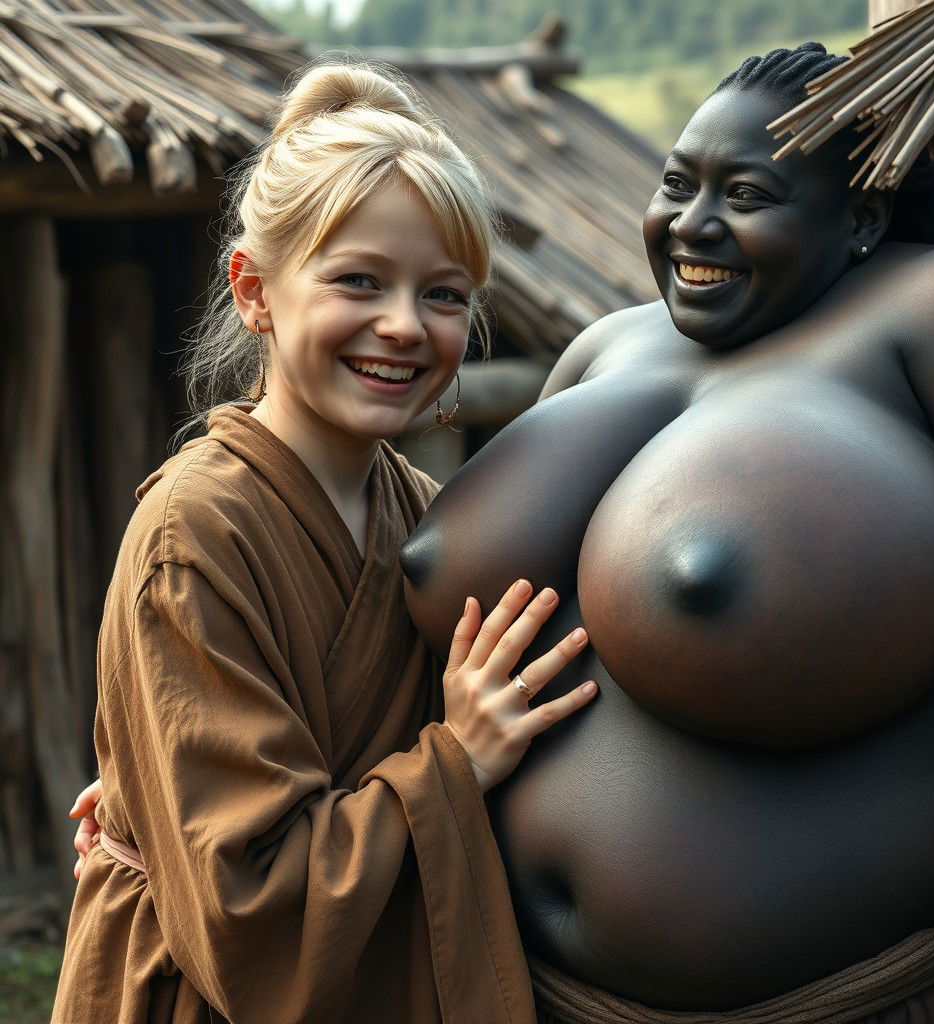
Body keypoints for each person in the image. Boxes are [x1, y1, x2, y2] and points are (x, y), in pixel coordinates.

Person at [399, 43, 934, 1024]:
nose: (693, 223)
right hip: (511, 988)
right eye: (677, 182)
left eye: (746, 193)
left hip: (845, 998)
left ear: (857, 220)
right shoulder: (606, 345)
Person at [53, 62, 598, 1024]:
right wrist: (453, 765)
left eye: (444, 294)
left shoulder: (431, 512)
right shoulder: (196, 533)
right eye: (358, 281)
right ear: (255, 290)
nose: (403, 326)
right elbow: (244, 908)